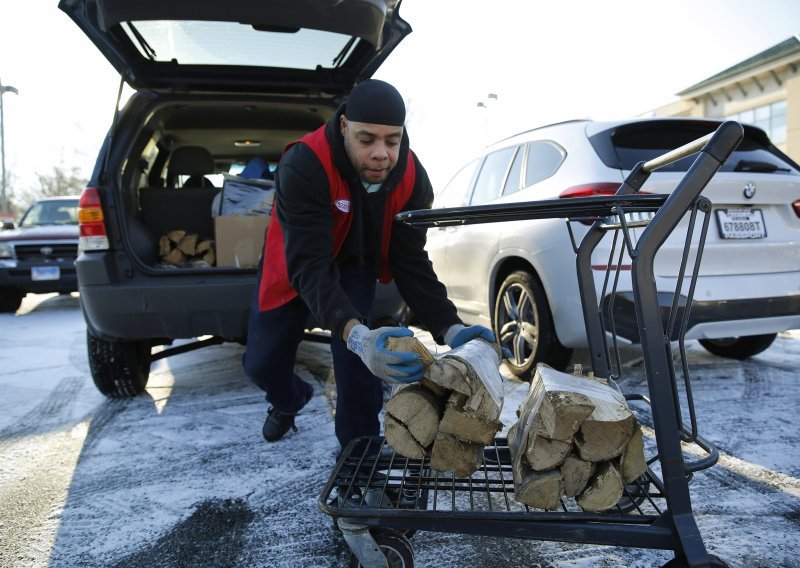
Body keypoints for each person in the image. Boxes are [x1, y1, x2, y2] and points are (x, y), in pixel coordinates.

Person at [243, 79, 494, 449]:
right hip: (297, 263)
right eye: (367, 139)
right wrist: (356, 334)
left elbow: (410, 259)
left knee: (359, 366)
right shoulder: (304, 163)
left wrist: (449, 325)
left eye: (392, 141)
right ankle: (288, 399)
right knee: (261, 364)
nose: (381, 154)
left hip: (353, 265)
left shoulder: (413, 180)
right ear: (344, 126)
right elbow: (309, 266)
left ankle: (360, 456)